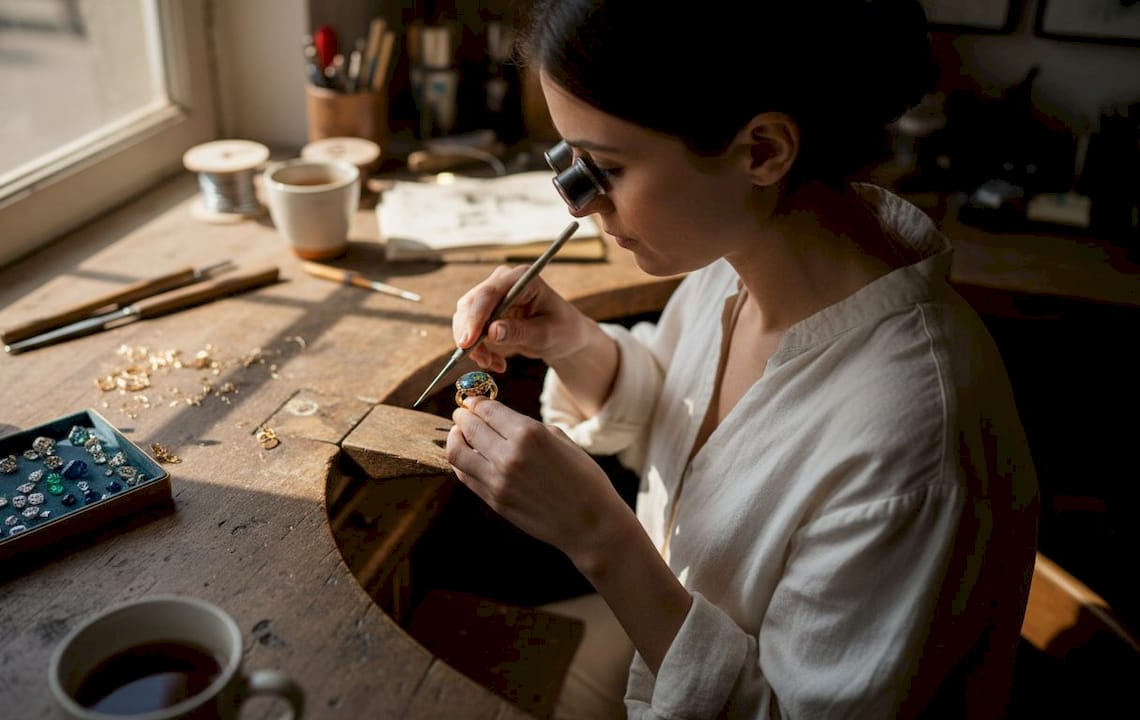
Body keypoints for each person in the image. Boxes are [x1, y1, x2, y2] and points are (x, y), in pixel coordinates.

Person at [444, 1, 1040, 718]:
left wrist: (599, 539)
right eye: (568, 162)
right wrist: (575, 345)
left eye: (603, 168)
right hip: (666, 643)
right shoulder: (739, 261)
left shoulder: (911, 435)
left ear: (761, 151)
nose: (578, 205)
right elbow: (688, 417)